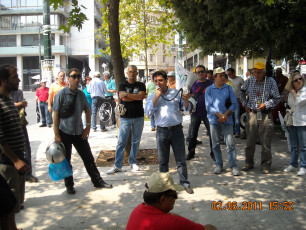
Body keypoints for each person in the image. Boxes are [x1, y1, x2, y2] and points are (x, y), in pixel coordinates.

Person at [53, 68, 112, 194]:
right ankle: (69, 185)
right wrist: (56, 134)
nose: (77, 79)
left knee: (88, 158)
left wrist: (88, 126)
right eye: (74, 76)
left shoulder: (81, 94)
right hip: (64, 132)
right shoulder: (61, 94)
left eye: (78, 76)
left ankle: (97, 181)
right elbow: (55, 114)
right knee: (66, 160)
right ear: (68, 78)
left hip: (79, 132)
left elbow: (87, 110)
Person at [145, 70, 194, 193]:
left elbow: (185, 109)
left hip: (177, 130)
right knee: (163, 161)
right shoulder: (152, 96)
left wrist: (186, 100)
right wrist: (156, 97)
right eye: (155, 81)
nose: (158, 83)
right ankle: (164, 184)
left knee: (180, 159)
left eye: (160, 80)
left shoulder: (176, 93)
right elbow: (148, 113)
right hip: (162, 131)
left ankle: (184, 182)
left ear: (166, 80)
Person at [126, 172, 217, 230]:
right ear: (163, 199)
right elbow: (209, 228)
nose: (175, 199)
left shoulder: (136, 211)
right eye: (174, 195)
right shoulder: (172, 223)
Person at [0, 64, 30, 230]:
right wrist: (15, 160)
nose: (19, 80)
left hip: (18, 160)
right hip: (8, 163)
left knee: (13, 206)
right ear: (3, 80)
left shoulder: (9, 101)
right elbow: (0, 137)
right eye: (15, 77)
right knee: (6, 207)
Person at [240, 62, 280, 174]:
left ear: (264, 72)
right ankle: (249, 162)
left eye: (259, 72)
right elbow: (242, 92)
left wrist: (266, 104)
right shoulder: (249, 80)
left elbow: (277, 98)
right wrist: (245, 104)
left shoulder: (270, 82)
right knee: (250, 141)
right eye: (255, 72)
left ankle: (266, 164)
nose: (257, 75)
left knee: (265, 141)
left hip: (265, 114)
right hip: (252, 113)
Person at [107, 65, 146, 174]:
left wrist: (128, 95)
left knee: (136, 141)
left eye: (134, 72)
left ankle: (133, 162)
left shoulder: (141, 84)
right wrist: (135, 96)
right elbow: (122, 97)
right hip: (125, 117)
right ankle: (117, 165)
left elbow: (141, 97)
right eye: (130, 71)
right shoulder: (122, 84)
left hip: (138, 116)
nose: (132, 73)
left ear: (137, 73)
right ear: (127, 73)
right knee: (121, 141)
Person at [205, 67, 240, 176]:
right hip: (214, 120)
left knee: (230, 143)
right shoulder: (209, 89)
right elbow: (208, 106)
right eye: (220, 75)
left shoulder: (229, 88)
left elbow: (234, 104)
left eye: (224, 75)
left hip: (227, 119)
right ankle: (218, 164)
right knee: (215, 144)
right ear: (215, 77)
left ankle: (233, 166)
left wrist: (225, 115)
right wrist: (219, 115)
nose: (223, 77)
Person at [185, 65, 214, 161]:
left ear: (205, 72)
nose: (200, 73)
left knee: (212, 134)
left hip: (208, 113)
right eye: (198, 72)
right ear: (195, 74)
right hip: (195, 112)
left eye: (202, 71)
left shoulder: (211, 83)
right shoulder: (193, 84)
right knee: (193, 135)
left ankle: (214, 153)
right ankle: (191, 152)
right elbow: (188, 96)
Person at [10, 89, 38, 182]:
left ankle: (28, 174)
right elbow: (15, 105)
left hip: (20, 124)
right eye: (15, 77)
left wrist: (21, 104)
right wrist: (20, 104)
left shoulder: (18, 92)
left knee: (26, 149)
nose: (18, 81)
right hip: (8, 127)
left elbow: (23, 106)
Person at [283, 73, 306, 176]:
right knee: (293, 145)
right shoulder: (291, 94)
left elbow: (299, 103)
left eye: (300, 79)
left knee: (303, 146)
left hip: (302, 122)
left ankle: (303, 166)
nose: (299, 81)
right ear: (292, 83)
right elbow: (290, 105)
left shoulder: (304, 91)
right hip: (293, 121)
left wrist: (293, 93)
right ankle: (293, 164)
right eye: (296, 80)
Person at [227, 68, 244, 138]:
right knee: (231, 116)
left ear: (234, 73)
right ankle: (232, 130)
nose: (229, 75)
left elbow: (245, 88)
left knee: (236, 116)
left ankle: (237, 131)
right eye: (228, 74)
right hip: (229, 101)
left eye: (230, 74)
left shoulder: (240, 79)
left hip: (237, 100)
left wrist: (243, 97)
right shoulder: (228, 80)